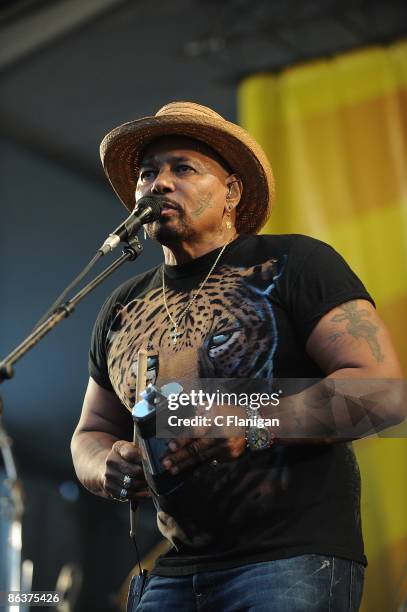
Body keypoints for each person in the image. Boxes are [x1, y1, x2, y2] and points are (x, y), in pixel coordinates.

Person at [71, 102, 404, 611]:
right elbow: (91, 430)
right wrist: (106, 467)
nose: (157, 183)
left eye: (182, 168)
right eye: (147, 173)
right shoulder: (121, 306)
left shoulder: (293, 261)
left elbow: (382, 394)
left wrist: (249, 420)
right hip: (176, 565)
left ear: (231, 191)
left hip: (290, 561)